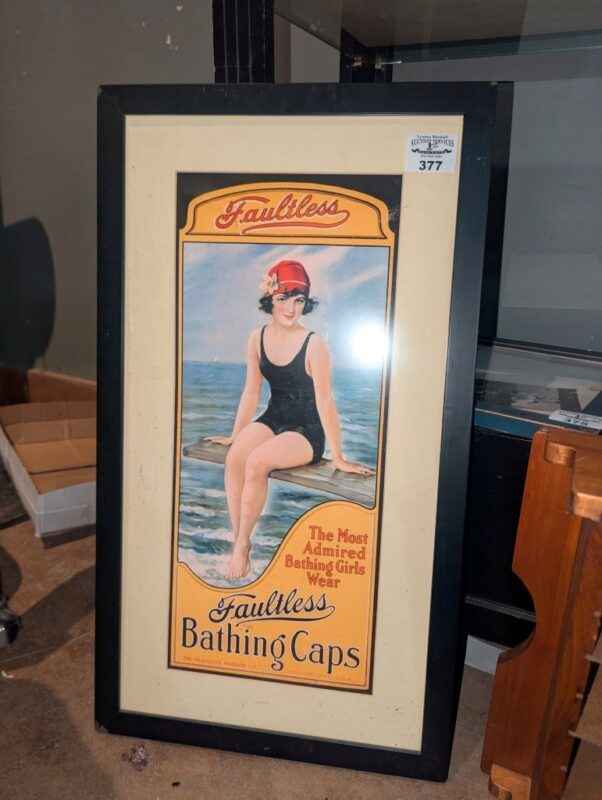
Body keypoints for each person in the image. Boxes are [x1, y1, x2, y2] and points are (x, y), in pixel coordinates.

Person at [207, 259, 372, 580]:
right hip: (274, 417)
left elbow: (325, 401)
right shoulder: (256, 338)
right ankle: (241, 540)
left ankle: (241, 546)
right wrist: (235, 434)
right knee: (236, 456)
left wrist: (338, 456)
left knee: (257, 462)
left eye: (298, 300)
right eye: (283, 298)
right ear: (270, 299)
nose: (291, 308)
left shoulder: (314, 344)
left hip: (306, 431)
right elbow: (251, 392)